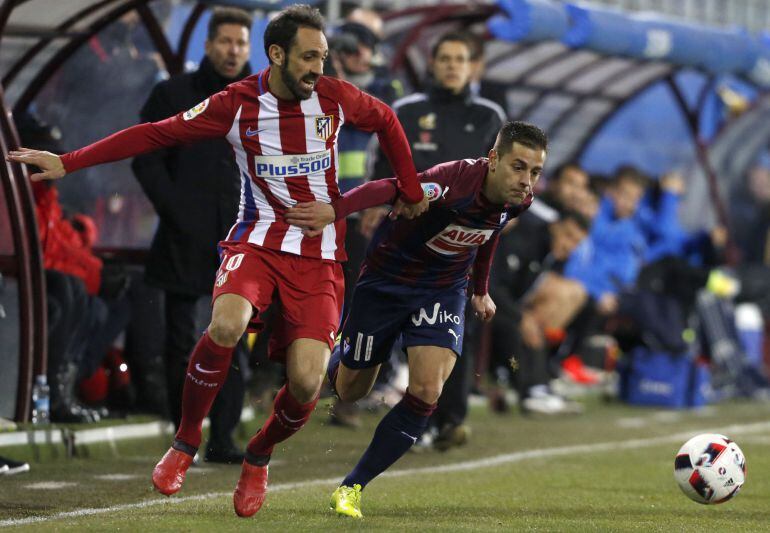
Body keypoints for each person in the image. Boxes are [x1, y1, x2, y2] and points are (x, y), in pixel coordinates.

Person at [7, 4, 427, 519]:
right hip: (255, 241)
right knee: (226, 324)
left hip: (318, 259)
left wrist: (409, 188)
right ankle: (185, 442)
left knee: (305, 385)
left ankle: (259, 453)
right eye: (308, 57)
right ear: (276, 54)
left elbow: (385, 118)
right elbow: (155, 134)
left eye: (323, 56)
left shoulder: (336, 99)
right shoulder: (237, 104)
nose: (319, 67)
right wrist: (69, 162)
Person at [285, 121, 548, 518]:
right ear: (493, 159)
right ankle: (341, 351)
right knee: (351, 390)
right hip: (386, 284)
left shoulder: (519, 200)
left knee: (427, 389)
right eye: (518, 166)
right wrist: (333, 211)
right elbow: (387, 188)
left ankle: (352, 487)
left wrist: (479, 289)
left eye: (535, 171)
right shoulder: (454, 181)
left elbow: (488, 232)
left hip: (443, 289)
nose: (526, 180)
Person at [366, 30, 508, 449]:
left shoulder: (488, 115)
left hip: (462, 243)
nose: (451, 65)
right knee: (404, 324)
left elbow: (504, 176)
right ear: (433, 63)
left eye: (459, 58)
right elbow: (385, 162)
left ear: (472, 66)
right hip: (407, 238)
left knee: (453, 328)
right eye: (444, 57)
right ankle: (405, 409)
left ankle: (451, 419)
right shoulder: (408, 110)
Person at [131, 7, 254, 464]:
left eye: (241, 43)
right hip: (183, 238)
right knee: (180, 339)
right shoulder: (172, 94)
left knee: (232, 338)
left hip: (240, 242)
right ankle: (182, 438)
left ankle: (222, 438)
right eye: (225, 41)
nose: (233, 51)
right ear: (208, 44)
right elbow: (145, 156)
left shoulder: (259, 98)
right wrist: (177, 208)